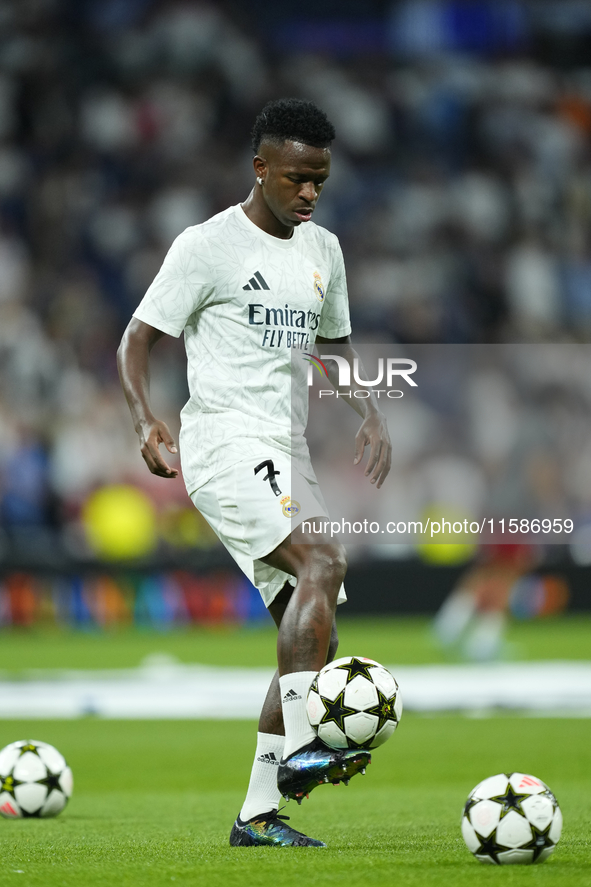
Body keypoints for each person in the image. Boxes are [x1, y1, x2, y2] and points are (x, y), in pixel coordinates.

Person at [117, 98, 391, 848]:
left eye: (320, 183)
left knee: (314, 635)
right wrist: (144, 416)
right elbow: (136, 339)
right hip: (223, 442)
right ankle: (309, 740)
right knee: (323, 559)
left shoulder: (323, 251)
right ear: (260, 168)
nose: (308, 194)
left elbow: (332, 346)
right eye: (298, 179)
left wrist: (366, 407)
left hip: (285, 449)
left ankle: (257, 813)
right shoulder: (206, 246)